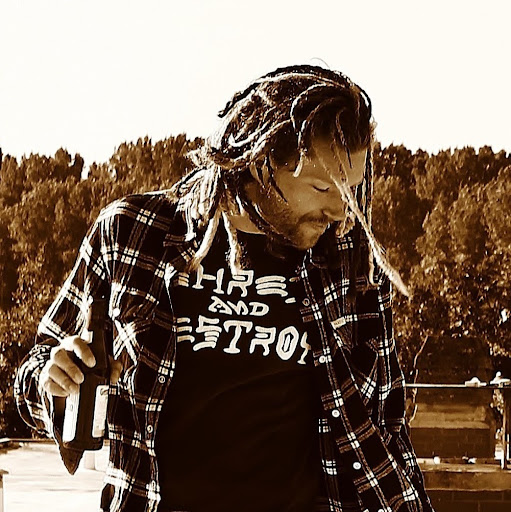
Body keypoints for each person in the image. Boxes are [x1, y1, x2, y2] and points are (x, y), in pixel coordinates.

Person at [15, 64, 434, 512]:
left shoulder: (348, 258)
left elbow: (387, 423)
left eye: (349, 191)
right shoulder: (131, 233)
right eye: (321, 188)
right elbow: (36, 373)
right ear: (260, 160)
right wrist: (55, 379)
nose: (340, 212)